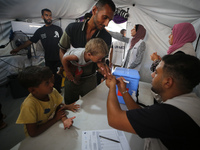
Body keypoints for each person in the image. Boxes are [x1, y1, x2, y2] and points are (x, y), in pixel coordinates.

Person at [106, 53, 200, 150]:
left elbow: (114, 119)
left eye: (157, 72)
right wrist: (123, 90)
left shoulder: (168, 114)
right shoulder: (189, 102)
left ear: (168, 82)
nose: (152, 74)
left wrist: (112, 87)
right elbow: (143, 114)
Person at [58, 0, 116, 104]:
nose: (107, 24)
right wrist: (67, 70)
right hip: (71, 79)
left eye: (110, 20)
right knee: (70, 107)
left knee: (90, 105)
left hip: (90, 80)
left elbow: (101, 61)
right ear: (94, 10)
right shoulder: (72, 28)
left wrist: (103, 69)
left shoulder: (106, 37)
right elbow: (62, 50)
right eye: (105, 17)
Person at [16, 66, 80, 137]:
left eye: (50, 81)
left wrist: (65, 119)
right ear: (32, 90)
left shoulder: (52, 92)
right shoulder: (28, 106)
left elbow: (58, 108)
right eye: (47, 83)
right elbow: (33, 133)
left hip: (51, 129)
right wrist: (55, 119)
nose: (52, 84)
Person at [10, 8, 63, 93]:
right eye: (46, 15)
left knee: (59, 76)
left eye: (50, 15)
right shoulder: (40, 31)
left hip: (59, 59)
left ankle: (58, 92)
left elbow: (64, 43)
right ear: (42, 17)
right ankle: (52, 92)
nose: (49, 17)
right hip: (49, 59)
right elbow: (30, 41)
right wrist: (17, 49)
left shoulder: (58, 29)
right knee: (50, 77)